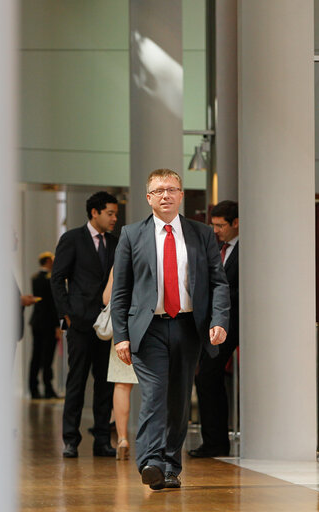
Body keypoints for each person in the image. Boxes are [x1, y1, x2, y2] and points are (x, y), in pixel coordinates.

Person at [111, 169, 230, 490]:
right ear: (148, 198)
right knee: (153, 395)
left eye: (172, 189)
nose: (166, 195)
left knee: (178, 400)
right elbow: (121, 291)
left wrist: (219, 320)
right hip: (147, 330)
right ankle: (150, 460)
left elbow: (218, 282)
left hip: (189, 328)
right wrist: (121, 335)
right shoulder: (131, 234)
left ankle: (169, 466)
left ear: (181, 195)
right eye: (159, 190)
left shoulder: (201, 234)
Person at [51, 191, 119, 458]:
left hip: (108, 324)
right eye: (110, 213)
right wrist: (66, 314)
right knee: (76, 382)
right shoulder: (72, 239)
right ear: (95, 213)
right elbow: (57, 279)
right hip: (79, 324)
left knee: (105, 384)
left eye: (115, 214)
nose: (115, 218)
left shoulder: (116, 243)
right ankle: (70, 440)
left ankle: (102, 440)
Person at [189, 200, 240, 458]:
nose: (216, 230)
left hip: (234, 325)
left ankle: (216, 442)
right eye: (214, 225)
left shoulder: (245, 250)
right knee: (207, 377)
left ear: (236, 223)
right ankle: (214, 440)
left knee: (207, 376)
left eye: (221, 226)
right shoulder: (218, 249)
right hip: (215, 325)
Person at [101, 268, 138, 460]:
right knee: (156, 383)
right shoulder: (157, 252)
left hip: (124, 328)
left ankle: (122, 438)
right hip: (152, 325)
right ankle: (157, 439)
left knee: (122, 384)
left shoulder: (121, 260)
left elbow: (107, 298)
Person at [29, 252, 62, 399]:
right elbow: (52, 304)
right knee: (47, 357)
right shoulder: (50, 279)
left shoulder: (35, 278)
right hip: (48, 323)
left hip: (36, 321)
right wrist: (57, 325)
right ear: (48, 261)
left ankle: (33, 388)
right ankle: (48, 388)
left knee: (36, 356)